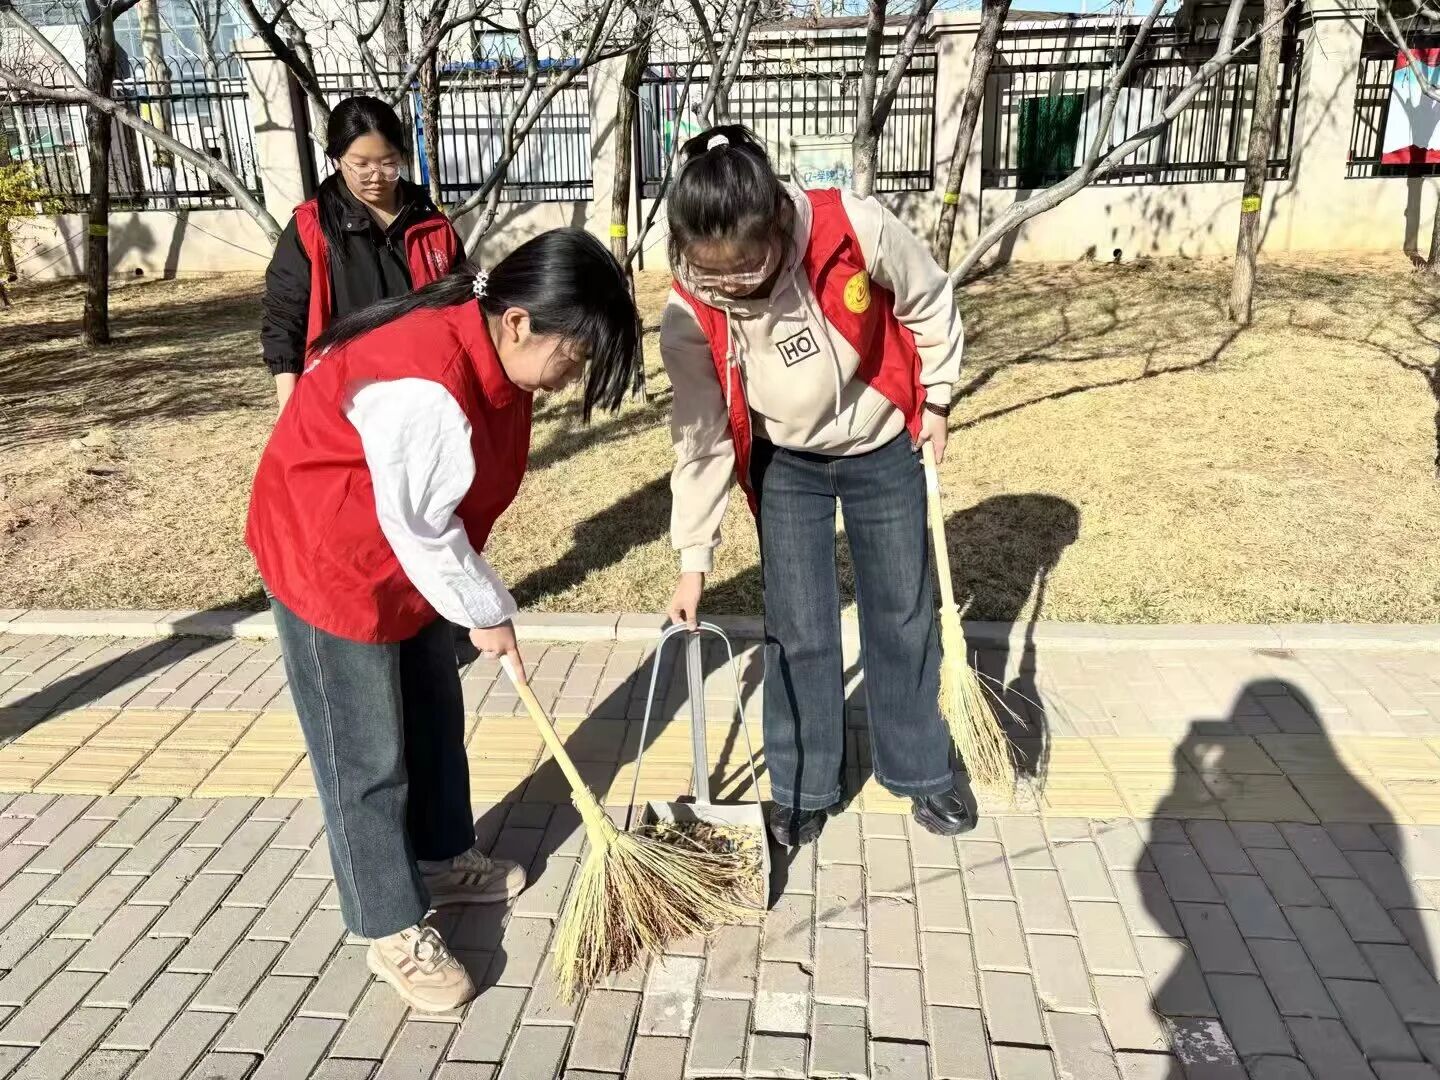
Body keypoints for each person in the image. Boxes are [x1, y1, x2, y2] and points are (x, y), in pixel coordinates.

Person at [246, 229, 639, 1012]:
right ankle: (389, 924)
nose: (573, 375)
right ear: (519, 323)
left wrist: (475, 602)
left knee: (432, 710)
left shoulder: (487, 347)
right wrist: (487, 611)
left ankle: (440, 857)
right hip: (330, 556)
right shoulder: (427, 385)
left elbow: (432, 521)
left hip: (400, 555)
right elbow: (421, 526)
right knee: (364, 753)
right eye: (575, 355)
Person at [660, 125, 973, 847]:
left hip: (880, 438)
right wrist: (693, 559)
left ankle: (920, 769)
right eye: (713, 270)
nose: (735, 283)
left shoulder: (850, 226)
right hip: (786, 464)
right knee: (798, 626)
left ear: (776, 219)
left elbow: (928, 299)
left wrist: (938, 399)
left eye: (748, 263)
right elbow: (702, 436)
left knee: (901, 613)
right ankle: (803, 784)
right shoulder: (689, 312)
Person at [260, 95, 460, 411]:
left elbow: (460, 312)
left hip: (423, 396)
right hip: (340, 400)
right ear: (337, 160)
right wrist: (290, 409)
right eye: (361, 165)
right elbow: (285, 320)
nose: (376, 176)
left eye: (388, 163)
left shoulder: (432, 226)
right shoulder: (311, 227)